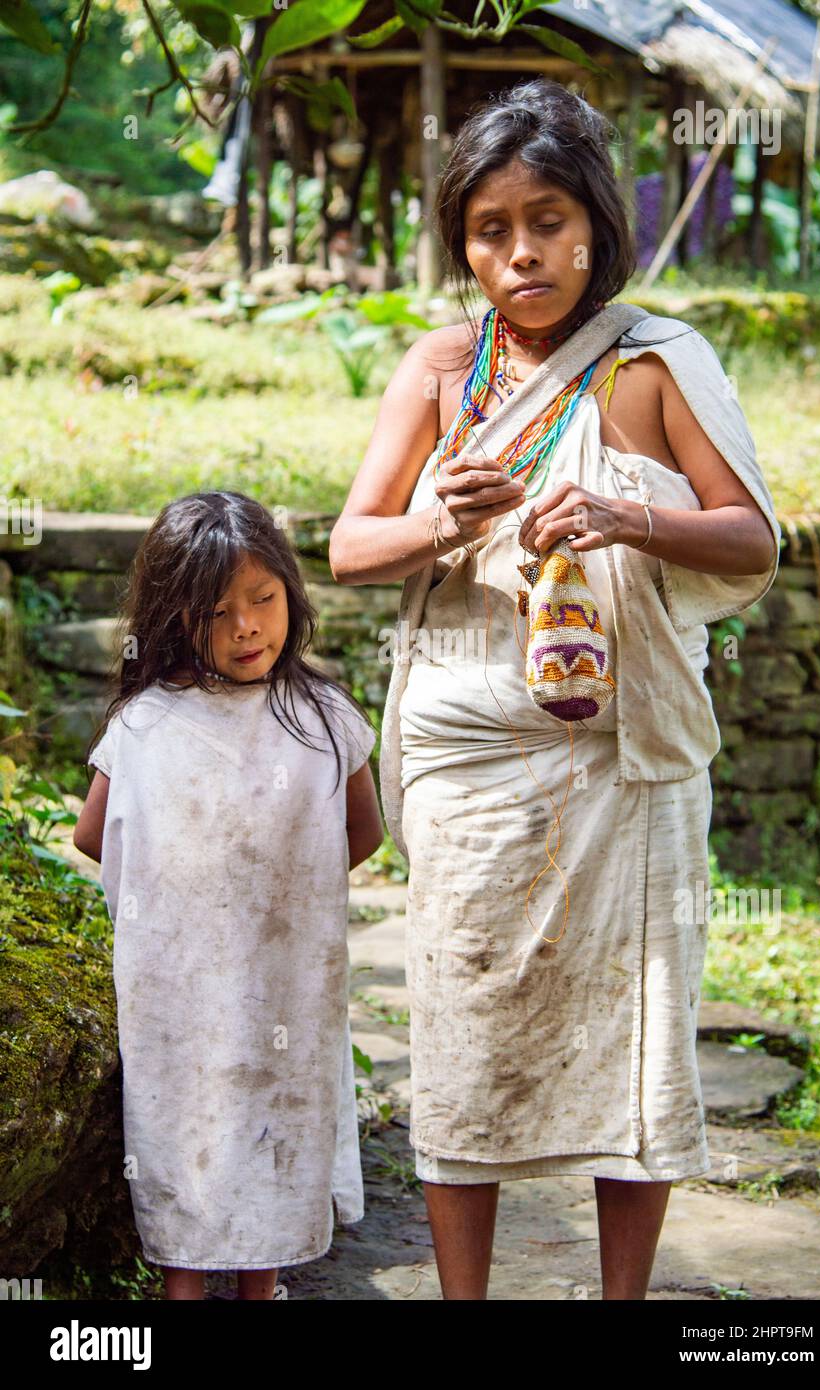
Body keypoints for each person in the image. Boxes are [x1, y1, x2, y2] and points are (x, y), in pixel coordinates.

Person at [329, 78, 780, 1300]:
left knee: (636, 1042)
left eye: (546, 221)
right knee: (463, 1029)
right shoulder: (438, 372)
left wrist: (631, 515)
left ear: (596, 226)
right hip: (470, 753)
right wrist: (437, 518)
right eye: (489, 229)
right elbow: (348, 548)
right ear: (462, 241)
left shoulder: (655, 363)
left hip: (620, 762)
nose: (520, 252)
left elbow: (752, 541)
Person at [73, 490, 383, 1300]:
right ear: (175, 619)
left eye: (264, 599)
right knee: (187, 1125)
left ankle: (261, 1288)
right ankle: (183, 1285)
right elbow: (95, 834)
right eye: (217, 612)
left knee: (275, 1117)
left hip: (288, 976)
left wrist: (274, 896)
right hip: (179, 986)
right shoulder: (146, 725)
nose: (247, 627)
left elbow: (362, 830)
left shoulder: (324, 718)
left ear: (291, 591)